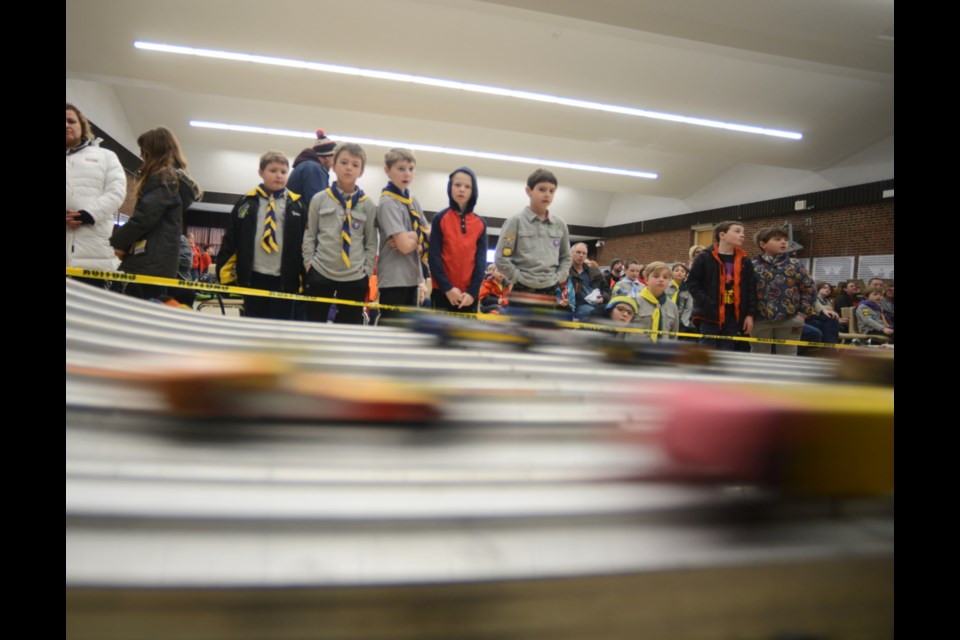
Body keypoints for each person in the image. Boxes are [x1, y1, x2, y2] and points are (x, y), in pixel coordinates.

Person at [110, 127, 200, 300]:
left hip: (148, 260)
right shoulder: (173, 180)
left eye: (143, 150)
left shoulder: (162, 178)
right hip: (160, 261)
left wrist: (115, 244)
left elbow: (144, 219)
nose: (141, 155)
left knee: (136, 313)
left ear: (152, 151)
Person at [217, 150, 306, 319]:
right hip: (254, 276)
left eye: (283, 172)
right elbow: (232, 239)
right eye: (273, 171)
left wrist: (304, 278)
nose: (278, 175)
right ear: (261, 172)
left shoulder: (297, 205)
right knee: (253, 323)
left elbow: (304, 244)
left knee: (281, 327)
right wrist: (224, 272)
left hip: (285, 278)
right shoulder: (246, 203)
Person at [301, 143, 377, 325]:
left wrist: (366, 271)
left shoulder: (368, 205)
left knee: (348, 329)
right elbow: (310, 234)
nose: (349, 167)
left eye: (355, 164)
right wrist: (309, 264)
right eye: (344, 162)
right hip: (320, 271)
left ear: (361, 171)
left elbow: (371, 242)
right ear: (334, 166)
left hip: (355, 276)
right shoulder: (319, 199)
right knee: (314, 325)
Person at [66, 103, 127, 273]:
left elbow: (116, 191)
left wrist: (89, 214)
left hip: (95, 255)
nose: (66, 125)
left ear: (82, 126)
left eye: (71, 121)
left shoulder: (106, 156)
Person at [495, 168, 572, 297]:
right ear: (528, 191)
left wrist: (560, 277)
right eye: (542, 189)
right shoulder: (515, 221)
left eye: (552, 191)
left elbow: (566, 257)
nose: (547, 194)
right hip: (521, 287)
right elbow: (501, 257)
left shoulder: (560, 224)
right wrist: (516, 278)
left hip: (550, 288)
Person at [687, 220, 756, 350]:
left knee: (727, 349)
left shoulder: (745, 260)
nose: (742, 235)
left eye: (743, 232)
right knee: (708, 349)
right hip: (710, 314)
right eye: (737, 231)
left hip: (733, 316)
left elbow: (751, 288)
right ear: (722, 235)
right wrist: (707, 302)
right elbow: (692, 283)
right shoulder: (704, 257)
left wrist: (750, 315)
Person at [428, 167, 488, 313]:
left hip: (468, 296)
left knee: (464, 336)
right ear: (450, 188)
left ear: (473, 191)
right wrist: (447, 288)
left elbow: (481, 261)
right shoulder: (439, 219)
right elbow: (434, 257)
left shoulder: (480, 223)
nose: (462, 189)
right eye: (457, 185)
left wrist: (473, 292)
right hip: (443, 292)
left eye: (467, 186)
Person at [376, 148, 427, 320]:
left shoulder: (412, 200)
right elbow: (405, 247)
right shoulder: (388, 202)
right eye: (401, 168)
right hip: (394, 279)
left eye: (411, 169)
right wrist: (417, 239)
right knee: (391, 331)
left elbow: (428, 235)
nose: (407, 174)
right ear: (387, 170)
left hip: (412, 277)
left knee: (407, 332)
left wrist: (411, 236)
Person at [750, 226, 815, 356]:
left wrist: (802, 313)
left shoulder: (795, 264)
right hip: (760, 319)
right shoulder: (753, 266)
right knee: (759, 356)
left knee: (788, 355)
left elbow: (809, 289)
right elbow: (747, 292)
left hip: (790, 319)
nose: (783, 242)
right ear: (763, 244)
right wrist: (749, 315)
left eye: (785, 239)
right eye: (778, 239)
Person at [632, 262, 680, 343]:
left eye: (665, 277)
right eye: (656, 276)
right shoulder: (634, 302)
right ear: (647, 279)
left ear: (669, 281)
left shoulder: (672, 307)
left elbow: (673, 335)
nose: (661, 279)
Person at [287, 129, 336, 206]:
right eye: (333, 158)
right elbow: (317, 204)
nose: (333, 163)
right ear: (327, 157)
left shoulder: (305, 166)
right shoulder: (314, 169)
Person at [567, 242, 611, 320]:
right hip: (579, 306)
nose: (581, 255)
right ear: (571, 253)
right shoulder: (566, 272)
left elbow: (607, 290)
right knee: (593, 314)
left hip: (598, 304)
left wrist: (603, 297)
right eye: (578, 252)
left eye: (584, 253)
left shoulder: (595, 272)